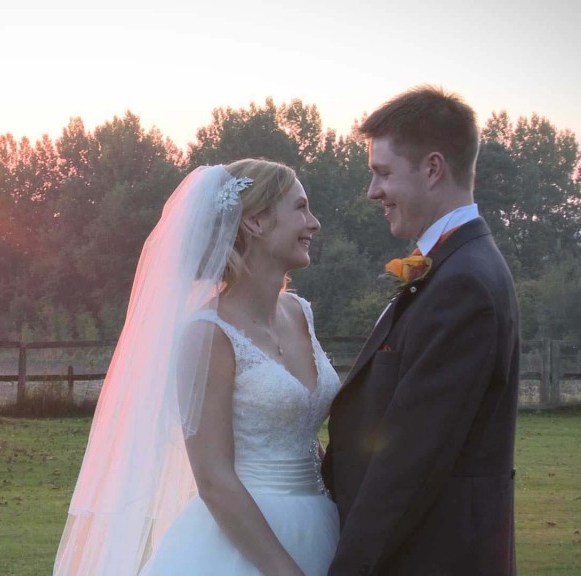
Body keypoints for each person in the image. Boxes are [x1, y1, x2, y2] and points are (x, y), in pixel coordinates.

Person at [54, 158, 338, 575]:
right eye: (300, 208)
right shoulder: (208, 333)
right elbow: (213, 478)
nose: (314, 223)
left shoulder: (301, 313)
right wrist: (285, 571)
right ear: (256, 221)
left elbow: (299, 427)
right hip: (250, 542)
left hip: (322, 524)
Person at [322, 86, 520, 575]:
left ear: (432, 169)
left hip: (431, 556)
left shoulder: (464, 283)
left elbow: (412, 460)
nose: (373, 191)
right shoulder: (455, 266)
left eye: (383, 172)